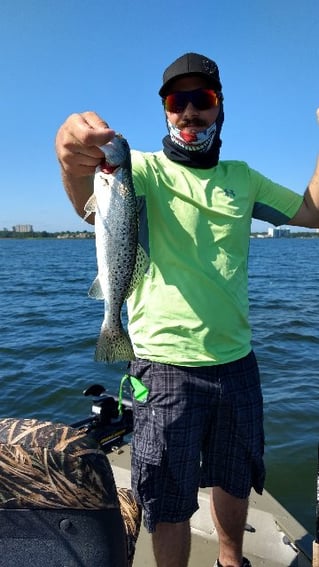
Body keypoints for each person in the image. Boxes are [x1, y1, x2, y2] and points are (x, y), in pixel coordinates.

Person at [55, 52, 319, 567]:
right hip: (160, 365)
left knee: (235, 474)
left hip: (237, 362)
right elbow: (85, 199)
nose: (191, 111)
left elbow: (315, 212)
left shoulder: (244, 178)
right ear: (165, 110)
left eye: (204, 99)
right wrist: (69, 156)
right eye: (180, 100)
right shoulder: (138, 172)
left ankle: (229, 560)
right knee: (167, 494)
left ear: (220, 108)